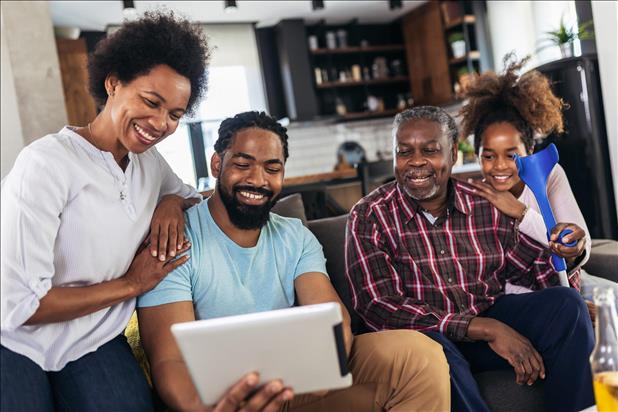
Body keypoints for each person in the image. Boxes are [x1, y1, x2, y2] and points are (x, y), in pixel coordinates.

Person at [137, 111, 450, 412]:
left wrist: (325, 368)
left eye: (272, 169)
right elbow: (168, 360)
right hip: (220, 397)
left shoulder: (294, 236)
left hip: (294, 383)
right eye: (243, 164)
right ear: (217, 164)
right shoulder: (175, 239)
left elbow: (331, 316)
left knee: (420, 356)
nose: (257, 180)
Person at [0, 11, 210, 411]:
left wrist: (171, 201)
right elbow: (21, 305)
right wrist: (132, 284)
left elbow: (194, 195)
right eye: (151, 102)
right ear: (113, 83)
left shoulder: (149, 164)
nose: (160, 123)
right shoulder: (46, 163)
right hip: (13, 338)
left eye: (175, 115)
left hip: (92, 339)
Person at [345, 105, 595, 412]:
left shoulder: (482, 202)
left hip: (485, 317)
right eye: (404, 151)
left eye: (431, 150)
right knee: (436, 353)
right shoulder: (370, 215)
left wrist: (567, 255)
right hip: (427, 336)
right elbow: (379, 307)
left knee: (567, 307)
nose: (417, 161)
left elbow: (534, 270)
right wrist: (486, 328)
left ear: (453, 155)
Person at [459, 54, 618, 302]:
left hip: (572, 282)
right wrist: (564, 309)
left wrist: (522, 213)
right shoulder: (473, 201)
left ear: (529, 151)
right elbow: (497, 285)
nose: (499, 166)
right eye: (488, 156)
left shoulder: (550, 176)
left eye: (511, 155)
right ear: (477, 156)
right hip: (530, 302)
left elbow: (581, 247)